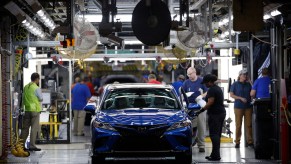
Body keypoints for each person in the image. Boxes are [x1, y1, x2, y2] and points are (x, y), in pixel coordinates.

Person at [196, 74, 226, 161]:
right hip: (220, 113)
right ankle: (214, 154)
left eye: (206, 83)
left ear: (209, 82)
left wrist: (201, 110)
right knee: (217, 135)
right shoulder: (217, 88)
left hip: (215, 114)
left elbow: (210, 102)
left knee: (214, 135)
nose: (205, 84)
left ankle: (216, 156)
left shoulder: (212, 90)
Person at [182, 67, 208, 152]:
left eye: (190, 74)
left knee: (201, 125)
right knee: (188, 126)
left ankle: (201, 145)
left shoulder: (202, 81)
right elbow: (182, 92)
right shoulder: (186, 83)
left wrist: (201, 96)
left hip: (200, 106)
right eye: (188, 74)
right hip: (189, 107)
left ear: (195, 72)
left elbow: (207, 91)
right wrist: (184, 96)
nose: (189, 76)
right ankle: (189, 143)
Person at [230, 70, 253, 148]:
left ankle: (250, 142)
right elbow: (231, 95)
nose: (245, 76)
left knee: (249, 125)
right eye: (243, 75)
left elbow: (253, 92)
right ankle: (237, 142)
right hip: (238, 107)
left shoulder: (248, 84)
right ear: (239, 75)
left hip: (248, 107)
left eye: (246, 75)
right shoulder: (235, 84)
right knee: (238, 125)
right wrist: (240, 98)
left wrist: (250, 82)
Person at [20, 73, 43, 151]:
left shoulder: (26, 87)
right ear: (36, 79)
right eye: (38, 79)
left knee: (25, 128)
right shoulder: (36, 88)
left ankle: (21, 145)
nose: (38, 80)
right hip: (35, 110)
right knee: (34, 128)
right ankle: (32, 145)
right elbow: (41, 98)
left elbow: (23, 98)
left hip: (27, 110)